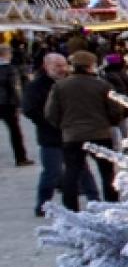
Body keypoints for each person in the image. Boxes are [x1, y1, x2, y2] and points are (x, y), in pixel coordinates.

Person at [46, 49, 126, 210]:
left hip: (72, 135)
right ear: (91, 66)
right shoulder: (102, 85)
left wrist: (64, 126)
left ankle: (71, 208)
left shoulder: (60, 86)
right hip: (100, 133)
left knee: (72, 172)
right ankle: (112, 205)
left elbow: (50, 113)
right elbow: (116, 111)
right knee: (107, 172)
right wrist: (110, 123)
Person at [23, 53, 90, 214]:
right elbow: (30, 109)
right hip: (50, 136)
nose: (62, 69)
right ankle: (43, 205)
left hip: (73, 134)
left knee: (82, 169)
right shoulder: (36, 86)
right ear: (47, 66)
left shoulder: (72, 81)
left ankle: (92, 200)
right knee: (51, 172)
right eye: (57, 66)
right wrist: (51, 123)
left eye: (63, 65)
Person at [0, 43, 29, 166]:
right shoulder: (10, 69)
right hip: (7, 103)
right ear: (6, 54)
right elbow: (15, 87)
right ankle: (20, 158)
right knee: (15, 131)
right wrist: (19, 104)